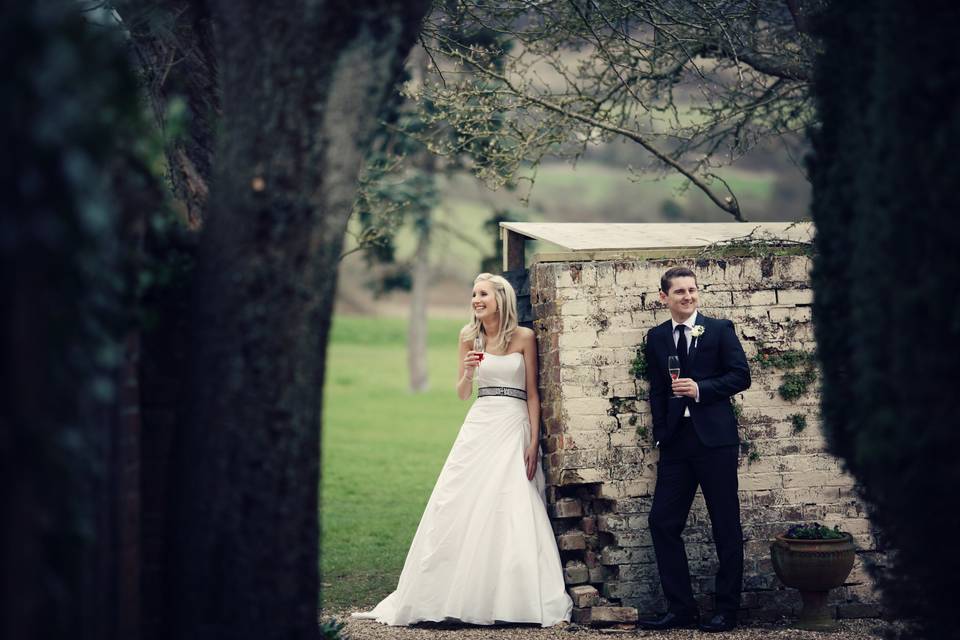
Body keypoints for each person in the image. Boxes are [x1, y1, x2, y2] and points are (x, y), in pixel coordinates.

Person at [352, 273, 573, 627]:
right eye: (473, 294)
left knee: (512, 498)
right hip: (481, 421)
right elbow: (461, 393)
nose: (475, 299)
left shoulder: (524, 337)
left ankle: (515, 597)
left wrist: (533, 440)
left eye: (482, 293)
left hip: (513, 422)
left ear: (500, 298)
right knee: (461, 500)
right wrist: (468, 372)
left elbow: (533, 393)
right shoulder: (468, 337)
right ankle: (452, 595)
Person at [638, 267, 751, 633]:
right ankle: (681, 608)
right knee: (662, 523)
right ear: (664, 298)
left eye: (692, 290)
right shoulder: (656, 338)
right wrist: (660, 433)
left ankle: (727, 610)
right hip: (676, 443)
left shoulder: (719, 330)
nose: (688, 296)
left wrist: (700, 389)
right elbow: (656, 389)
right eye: (680, 292)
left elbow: (740, 376)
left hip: (715, 442)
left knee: (725, 526)